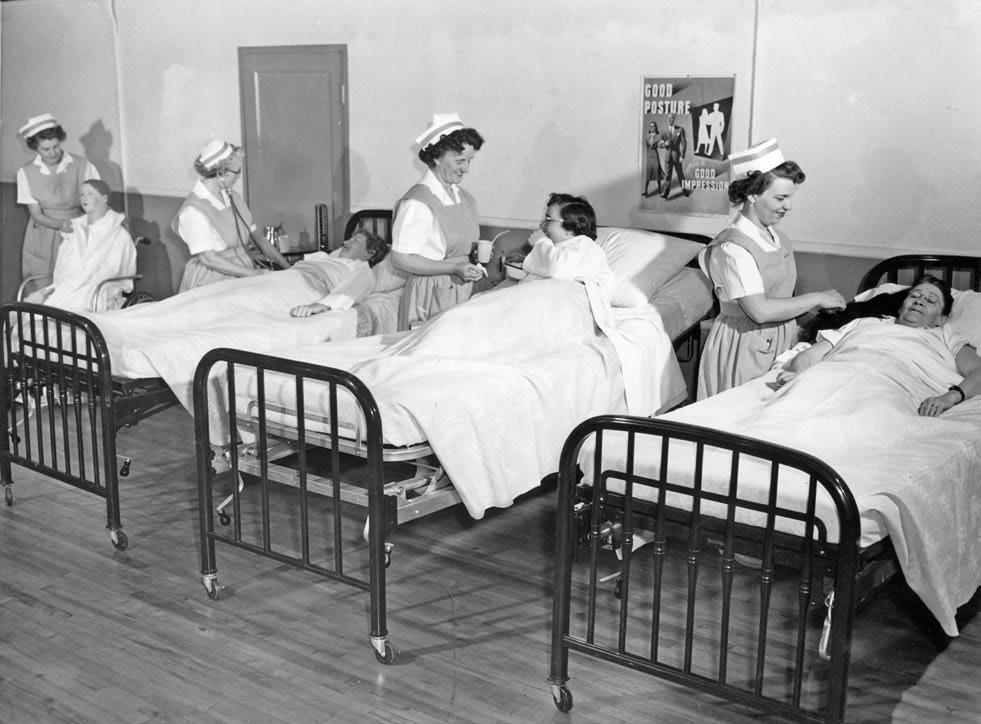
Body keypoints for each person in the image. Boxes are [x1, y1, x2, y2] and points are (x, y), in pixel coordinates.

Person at [697, 138, 846, 399]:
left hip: (783, 339)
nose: (789, 206)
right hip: (744, 345)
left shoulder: (778, 238)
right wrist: (817, 298)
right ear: (752, 195)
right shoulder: (732, 248)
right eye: (780, 198)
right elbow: (760, 311)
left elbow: (781, 297)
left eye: (790, 197)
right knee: (742, 412)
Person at [778, 275, 981, 417]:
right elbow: (809, 356)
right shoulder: (865, 323)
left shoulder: (946, 336)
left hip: (892, 389)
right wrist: (796, 376)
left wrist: (949, 398)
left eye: (930, 301)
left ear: (941, 319)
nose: (919, 302)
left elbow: (978, 372)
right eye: (915, 296)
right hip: (836, 376)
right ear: (901, 306)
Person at [390, 113, 486, 330]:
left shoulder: (465, 198)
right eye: (460, 161)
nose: (467, 168)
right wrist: (454, 267)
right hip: (429, 293)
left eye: (469, 160)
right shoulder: (417, 203)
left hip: (461, 287)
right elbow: (401, 259)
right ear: (437, 157)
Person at [173, 139, 289, 292]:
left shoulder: (234, 198)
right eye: (237, 171)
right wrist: (255, 274)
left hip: (244, 271)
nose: (238, 176)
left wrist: (287, 267)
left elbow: (258, 238)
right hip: (212, 279)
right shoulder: (194, 209)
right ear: (220, 172)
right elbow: (208, 259)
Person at [25, 179, 137, 312]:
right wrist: (59, 286)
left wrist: (82, 283)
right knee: (35, 308)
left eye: (90, 193)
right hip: (70, 287)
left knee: (67, 309)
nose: (84, 198)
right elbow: (63, 266)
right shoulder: (73, 230)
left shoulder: (119, 235)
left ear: (104, 198)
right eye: (82, 194)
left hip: (97, 290)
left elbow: (115, 270)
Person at [16, 113, 101, 282]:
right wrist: (61, 225)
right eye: (45, 149)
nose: (52, 153)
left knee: (76, 280)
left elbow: (97, 203)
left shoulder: (83, 165)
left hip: (77, 228)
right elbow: (36, 214)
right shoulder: (26, 172)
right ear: (35, 148)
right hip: (43, 233)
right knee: (42, 282)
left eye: (56, 146)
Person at [520, 193, 614, 294]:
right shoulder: (564, 248)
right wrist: (526, 259)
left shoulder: (588, 248)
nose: (542, 225)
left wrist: (540, 242)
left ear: (570, 227)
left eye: (549, 220)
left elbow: (557, 268)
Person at [289, 230, 389, 317]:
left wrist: (321, 305)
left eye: (356, 240)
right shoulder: (325, 257)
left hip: (303, 285)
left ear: (369, 253)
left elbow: (353, 288)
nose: (345, 242)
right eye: (349, 239)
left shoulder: (362, 268)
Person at [660, 114, 691, 200]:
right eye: (668, 118)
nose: (669, 120)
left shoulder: (680, 130)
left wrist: (682, 156)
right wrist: (665, 144)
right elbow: (659, 144)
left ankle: (685, 191)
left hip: (677, 157)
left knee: (680, 174)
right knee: (667, 176)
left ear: (674, 119)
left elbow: (684, 143)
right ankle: (666, 193)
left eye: (671, 118)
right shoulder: (664, 131)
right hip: (667, 157)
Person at [642, 121, 663, 197]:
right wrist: (647, 156)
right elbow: (647, 147)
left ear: (655, 127)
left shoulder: (658, 136)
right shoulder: (647, 136)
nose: (652, 127)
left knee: (657, 172)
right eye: (650, 126)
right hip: (649, 156)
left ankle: (660, 189)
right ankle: (646, 191)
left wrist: (661, 143)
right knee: (648, 173)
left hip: (655, 156)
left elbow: (660, 145)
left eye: (653, 126)